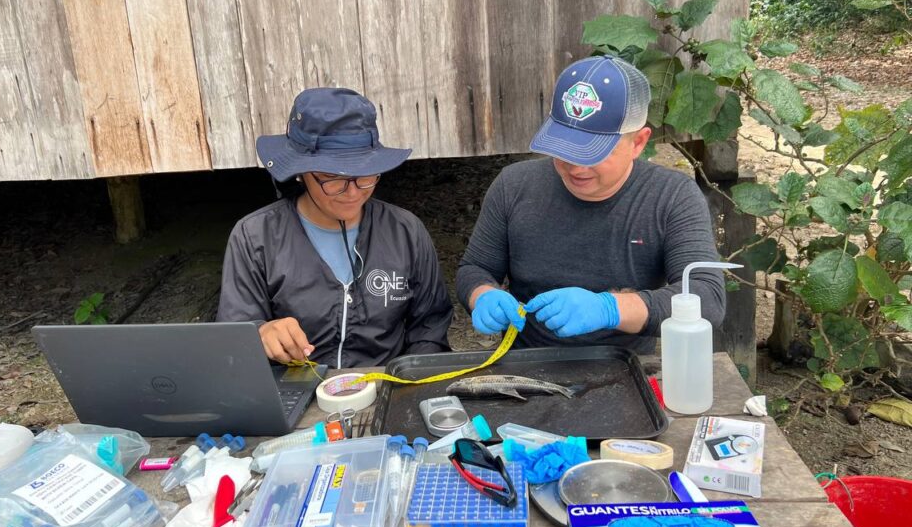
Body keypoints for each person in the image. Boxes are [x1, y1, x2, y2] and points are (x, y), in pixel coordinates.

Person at [456, 55, 725, 354]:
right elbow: (476, 268)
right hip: (528, 360)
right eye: (565, 147)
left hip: (625, 362)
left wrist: (610, 309)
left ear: (638, 142)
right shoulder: (514, 186)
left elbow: (707, 298)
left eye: (593, 153)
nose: (575, 166)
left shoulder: (672, 197)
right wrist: (482, 295)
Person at [217, 87, 452, 368]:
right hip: (293, 386)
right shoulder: (255, 237)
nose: (352, 193)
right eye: (332, 178)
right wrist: (260, 332)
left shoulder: (406, 231)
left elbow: (430, 326)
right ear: (301, 174)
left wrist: (407, 379)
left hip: (385, 382)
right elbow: (233, 340)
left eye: (365, 176)